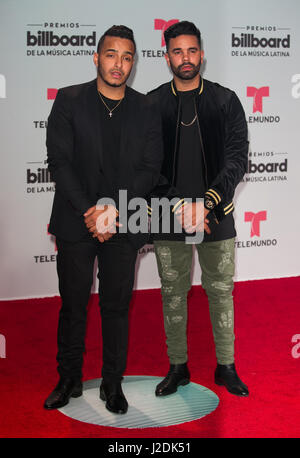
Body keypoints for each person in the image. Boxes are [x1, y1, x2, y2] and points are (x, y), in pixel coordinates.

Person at [44, 25, 163, 414]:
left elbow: (150, 167)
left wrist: (114, 208)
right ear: (96, 57)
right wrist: (91, 211)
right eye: (111, 55)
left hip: (124, 221)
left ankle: (113, 383)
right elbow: (59, 162)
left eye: (127, 57)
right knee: (73, 303)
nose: (119, 64)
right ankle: (69, 378)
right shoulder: (68, 100)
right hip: (77, 219)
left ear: (133, 63)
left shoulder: (146, 108)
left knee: (116, 306)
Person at [147, 21, 249, 397]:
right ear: (167, 56)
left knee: (220, 291)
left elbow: (238, 159)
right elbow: (147, 165)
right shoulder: (152, 104)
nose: (185, 58)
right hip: (168, 213)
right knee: (171, 293)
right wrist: (177, 204)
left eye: (192, 51)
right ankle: (178, 367)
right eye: (177, 51)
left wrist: (206, 202)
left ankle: (226, 366)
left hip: (215, 211)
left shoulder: (225, 100)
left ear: (202, 54)